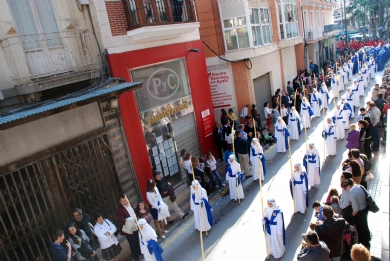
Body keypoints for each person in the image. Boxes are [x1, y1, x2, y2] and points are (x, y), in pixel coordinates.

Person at [342, 179, 371, 249]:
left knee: (360, 229)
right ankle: (367, 239)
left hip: (359, 213)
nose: (346, 190)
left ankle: (362, 244)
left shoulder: (351, 193)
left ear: (348, 185)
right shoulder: (359, 186)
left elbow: (355, 209)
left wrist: (353, 215)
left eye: (346, 188)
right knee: (365, 225)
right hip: (365, 209)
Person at [116, 195, 141, 261]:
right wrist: (130, 220)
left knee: (136, 239)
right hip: (128, 228)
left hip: (134, 225)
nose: (125, 202)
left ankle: (139, 252)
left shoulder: (130, 205)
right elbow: (121, 221)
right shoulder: (119, 210)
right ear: (120, 202)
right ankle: (136, 257)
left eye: (125, 200)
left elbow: (134, 213)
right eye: (123, 201)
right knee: (132, 243)